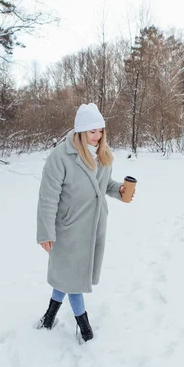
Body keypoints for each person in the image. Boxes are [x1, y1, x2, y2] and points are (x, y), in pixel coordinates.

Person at [36, 103, 134, 342]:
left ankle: (49, 316)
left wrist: (119, 189)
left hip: (93, 226)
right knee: (74, 279)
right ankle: (85, 327)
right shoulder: (61, 157)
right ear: (80, 131)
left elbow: (103, 184)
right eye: (92, 131)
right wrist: (45, 232)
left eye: (100, 130)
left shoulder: (103, 154)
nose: (98, 136)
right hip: (68, 228)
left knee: (67, 275)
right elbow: (48, 197)